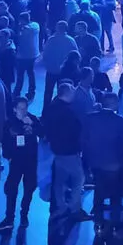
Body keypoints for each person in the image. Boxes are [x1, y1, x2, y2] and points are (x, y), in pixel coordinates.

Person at [0, 97, 41, 232]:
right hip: (16, 161)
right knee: (11, 189)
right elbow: (4, 141)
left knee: (29, 188)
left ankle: (24, 214)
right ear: (15, 109)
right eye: (21, 108)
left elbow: (44, 133)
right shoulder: (9, 123)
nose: (24, 111)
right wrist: (8, 157)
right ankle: (9, 218)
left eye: (25, 107)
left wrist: (32, 124)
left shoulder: (32, 119)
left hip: (31, 161)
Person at [82, 92, 123, 223]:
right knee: (115, 192)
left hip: (95, 163)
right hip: (113, 164)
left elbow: (84, 140)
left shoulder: (90, 118)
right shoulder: (119, 121)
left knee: (99, 190)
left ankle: (98, 219)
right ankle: (115, 220)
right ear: (114, 104)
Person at [43, 82, 85, 221]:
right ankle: (74, 208)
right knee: (79, 179)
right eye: (73, 92)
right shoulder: (68, 112)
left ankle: (60, 206)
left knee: (59, 181)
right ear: (67, 93)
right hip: (69, 151)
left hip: (57, 150)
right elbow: (75, 131)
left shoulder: (52, 107)